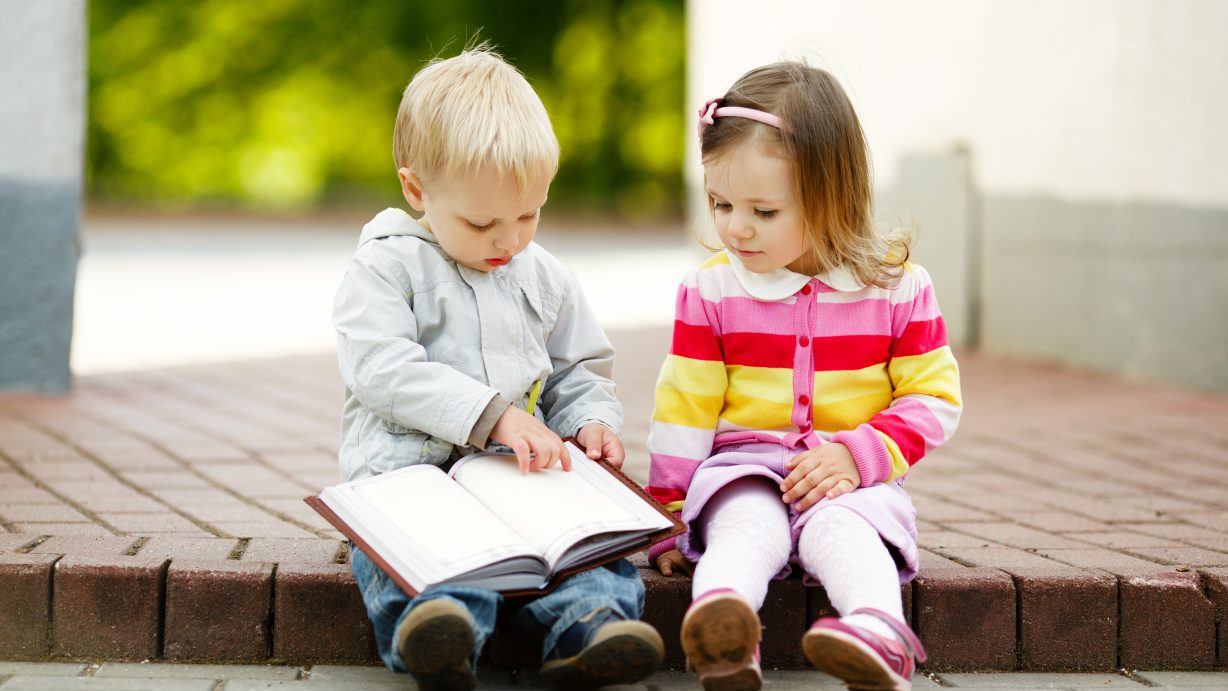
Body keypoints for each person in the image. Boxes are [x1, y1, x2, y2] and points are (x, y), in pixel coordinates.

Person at [332, 44, 663, 691]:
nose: (508, 240)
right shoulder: (386, 266)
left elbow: (579, 368)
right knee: (413, 548)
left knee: (581, 550)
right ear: (415, 188)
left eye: (528, 215)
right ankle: (437, 627)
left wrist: (591, 420)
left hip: (517, 477)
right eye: (482, 221)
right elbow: (381, 367)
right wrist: (494, 414)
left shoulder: (543, 276)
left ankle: (591, 626)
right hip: (408, 474)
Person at [647, 60, 962, 691]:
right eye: (721, 203)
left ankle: (878, 637)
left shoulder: (897, 290)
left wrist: (860, 454)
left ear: (831, 197)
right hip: (744, 469)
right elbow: (685, 404)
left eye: (763, 211)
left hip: (851, 476)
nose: (735, 227)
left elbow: (935, 397)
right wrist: (671, 512)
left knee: (846, 531)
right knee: (743, 525)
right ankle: (724, 636)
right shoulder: (711, 289)